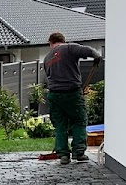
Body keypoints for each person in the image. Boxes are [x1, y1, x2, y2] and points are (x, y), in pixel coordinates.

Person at [43, 31, 102, 164]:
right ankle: (78, 152)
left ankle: (63, 155)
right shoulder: (69, 48)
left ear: (50, 43)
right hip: (71, 92)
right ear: (63, 41)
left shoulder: (46, 58)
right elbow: (88, 51)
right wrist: (96, 56)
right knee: (79, 120)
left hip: (54, 94)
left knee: (60, 125)